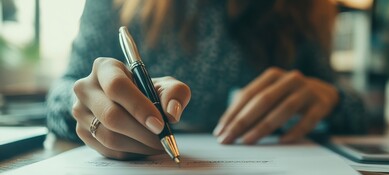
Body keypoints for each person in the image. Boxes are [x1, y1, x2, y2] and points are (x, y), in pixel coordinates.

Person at [46, 0, 366, 159]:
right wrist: (90, 108)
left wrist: (331, 100)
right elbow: (64, 91)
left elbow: (349, 101)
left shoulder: (305, 8)